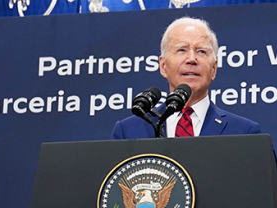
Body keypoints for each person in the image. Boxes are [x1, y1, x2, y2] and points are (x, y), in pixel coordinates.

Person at [111, 16, 261, 139]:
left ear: (214, 69)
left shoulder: (244, 133)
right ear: (163, 66)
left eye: (201, 51)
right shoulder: (128, 132)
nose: (191, 59)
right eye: (181, 50)